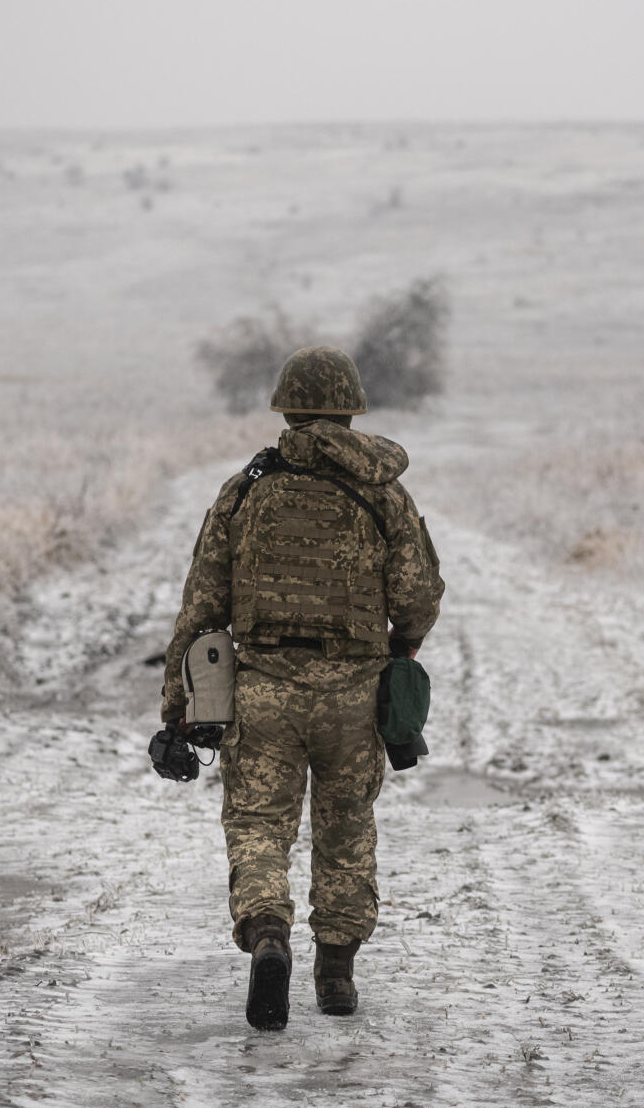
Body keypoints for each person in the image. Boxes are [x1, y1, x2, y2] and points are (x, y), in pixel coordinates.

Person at [160, 345, 444, 1029]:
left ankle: (267, 935)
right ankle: (337, 975)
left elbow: (201, 608)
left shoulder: (245, 490)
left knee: (258, 825)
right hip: (354, 694)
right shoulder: (384, 493)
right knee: (346, 829)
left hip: (262, 691)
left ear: (285, 408)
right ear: (351, 409)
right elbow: (418, 594)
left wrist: (177, 707)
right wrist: (402, 645)